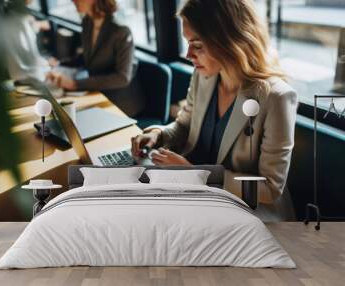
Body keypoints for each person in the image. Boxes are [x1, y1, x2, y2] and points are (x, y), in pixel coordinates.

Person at [131, 0, 298, 220]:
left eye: (197, 45)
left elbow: (270, 188)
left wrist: (195, 173)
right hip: (201, 197)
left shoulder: (276, 97)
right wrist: (159, 135)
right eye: (187, 43)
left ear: (229, 42)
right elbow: (183, 126)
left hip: (248, 211)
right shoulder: (203, 75)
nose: (189, 54)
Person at [47, 0, 144, 116]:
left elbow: (122, 77)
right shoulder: (87, 21)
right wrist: (59, 63)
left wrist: (74, 84)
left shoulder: (121, 30)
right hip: (97, 94)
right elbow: (89, 56)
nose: (72, 0)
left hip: (121, 103)